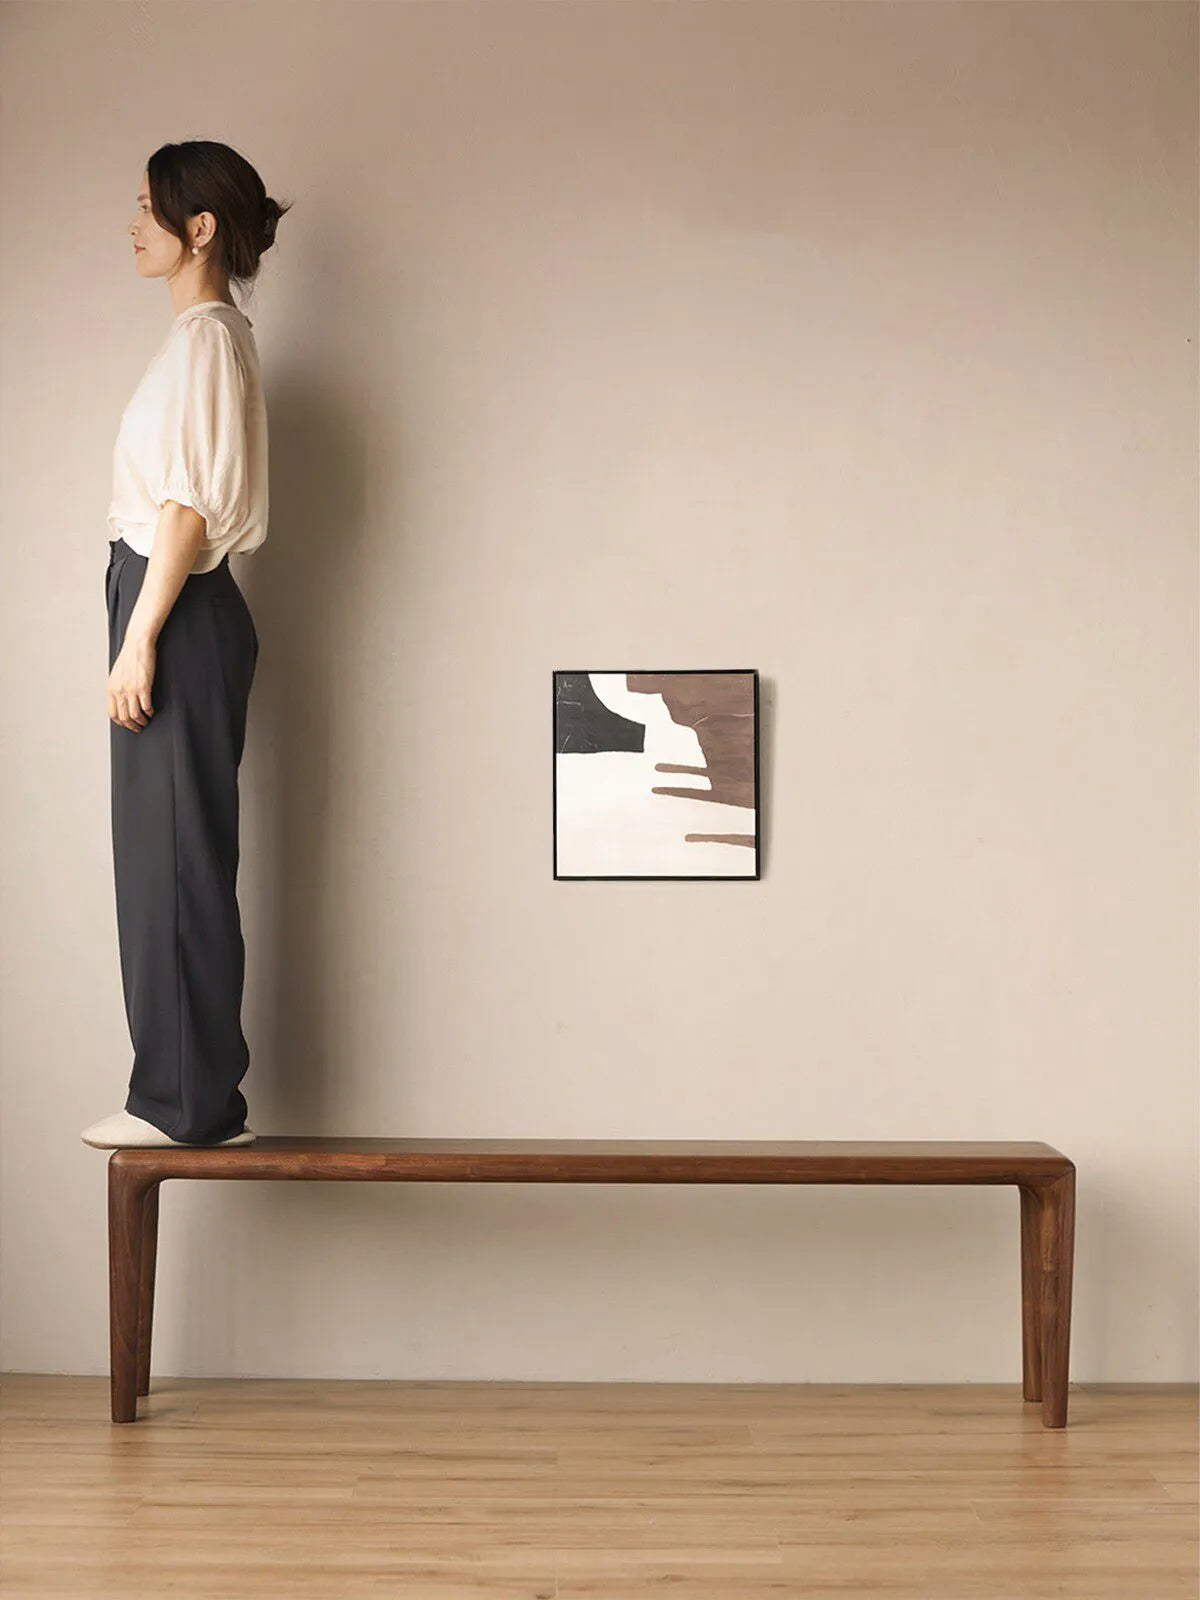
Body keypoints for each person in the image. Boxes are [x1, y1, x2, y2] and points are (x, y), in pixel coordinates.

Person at [81, 142, 289, 1150]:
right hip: (177, 600)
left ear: (198, 228)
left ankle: (184, 1103)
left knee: (174, 859)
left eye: (147, 208)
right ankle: (192, 1095)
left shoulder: (205, 342)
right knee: (171, 855)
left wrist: (139, 636)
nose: (134, 223)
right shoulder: (204, 340)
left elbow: (187, 510)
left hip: (179, 599)